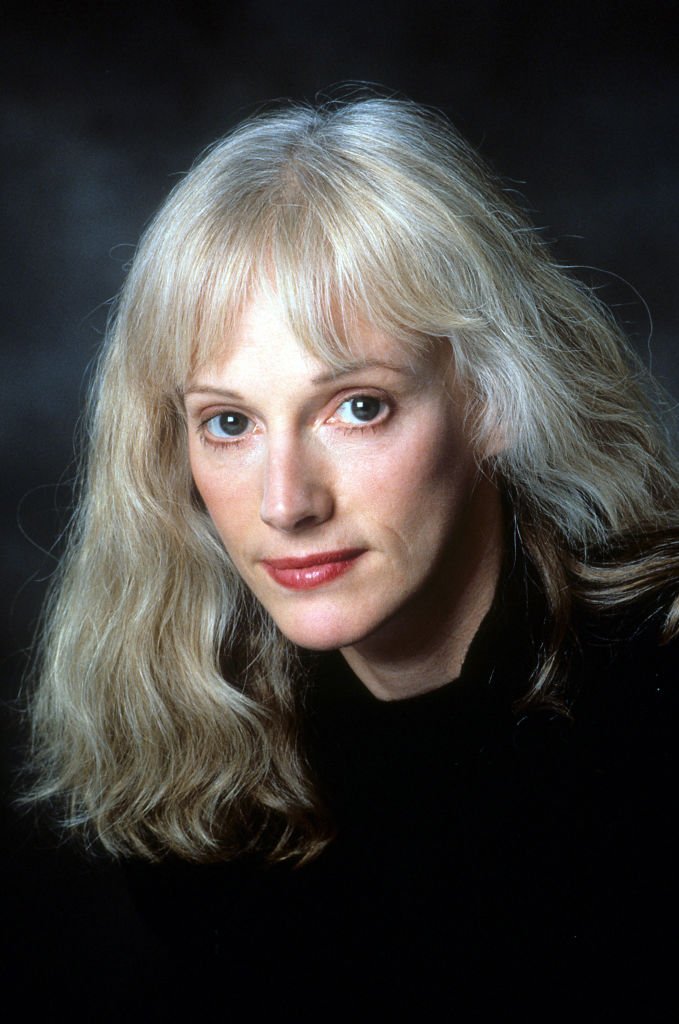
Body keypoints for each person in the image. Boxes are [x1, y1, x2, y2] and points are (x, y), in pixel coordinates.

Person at [27, 97, 678, 1014]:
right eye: (228, 423)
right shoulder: (204, 767)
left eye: (357, 407)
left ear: (493, 402)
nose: (286, 503)